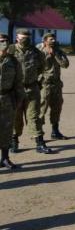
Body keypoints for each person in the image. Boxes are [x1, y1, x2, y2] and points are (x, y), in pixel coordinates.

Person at [10, 29, 52, 154]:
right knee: (15, 117)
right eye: (23, 38)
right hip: (15, 90)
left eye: (27, 38)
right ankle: (14, 141)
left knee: (34, 116)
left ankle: (40, 143)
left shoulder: (36, 52)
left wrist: (38, 81)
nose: (25, 40)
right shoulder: (10, 50)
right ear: (17, 38)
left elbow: (43, 68)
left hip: (32, 89)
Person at [37, 32, 70, 140]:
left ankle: (55, 131)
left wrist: (55, 54)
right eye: (51, 39)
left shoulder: (58, 51)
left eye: (54, 39)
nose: (54, 41)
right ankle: (39, 135)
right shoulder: (38, 51)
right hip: (44, 85)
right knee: (41, 110)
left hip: (56, 84)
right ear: (45, 40)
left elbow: (65, 65)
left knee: (57, 108)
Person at [0, 33, 24, 170]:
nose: (3, 43)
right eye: (0, 41)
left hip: (7, 98)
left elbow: (18, 83)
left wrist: (19, 99)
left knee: (6, 129)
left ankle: (5, 158)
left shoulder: (14, 61)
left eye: (5, 41)